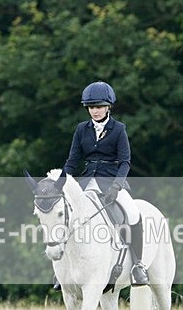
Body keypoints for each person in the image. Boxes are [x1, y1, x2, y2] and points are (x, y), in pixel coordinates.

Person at [62, 81, 149, 285]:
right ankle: (64, 269)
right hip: (86, 182)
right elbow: (72, 161)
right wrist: (62, 185)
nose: (95, 111)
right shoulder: (81, 129)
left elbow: (125, 161)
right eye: (91, 107)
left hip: (112, 181)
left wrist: (116, 186)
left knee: (133, 214)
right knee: (67, 216)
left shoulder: (118, 129)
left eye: (99, 106)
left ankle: (138, 265)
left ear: (108, 107)